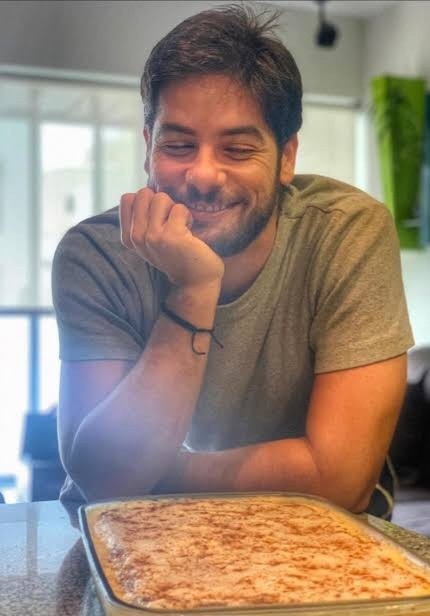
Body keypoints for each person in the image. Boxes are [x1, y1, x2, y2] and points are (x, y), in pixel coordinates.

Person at [52, 3, 414, 525]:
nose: (203, 175)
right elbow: (105, 477)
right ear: (149, 147)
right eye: (179, 145)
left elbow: (341, 480)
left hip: (312, 535)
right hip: (138, 535)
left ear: (287, 158)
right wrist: (194, 288)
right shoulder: (97, 255)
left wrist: (152, 475)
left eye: (238, 149)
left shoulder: (346, 232)